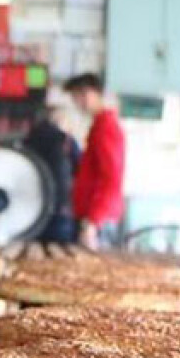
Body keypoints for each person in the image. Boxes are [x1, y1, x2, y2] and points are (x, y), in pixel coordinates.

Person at [63, 73, 126, 250]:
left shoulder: (106, 127)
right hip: (93, 217)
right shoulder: (98, 126)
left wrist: (93, 221)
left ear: (95, 93)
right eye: (75, 96)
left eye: (82, 94)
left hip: (98, 220)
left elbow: (112, 178)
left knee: (96, 275)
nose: (79, 101)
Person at [22, 106, 81, 244]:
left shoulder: (28, 141)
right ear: (62, 122)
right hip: (60, 209)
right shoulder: (67, 142)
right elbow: (80, 169)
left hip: (30, 209)